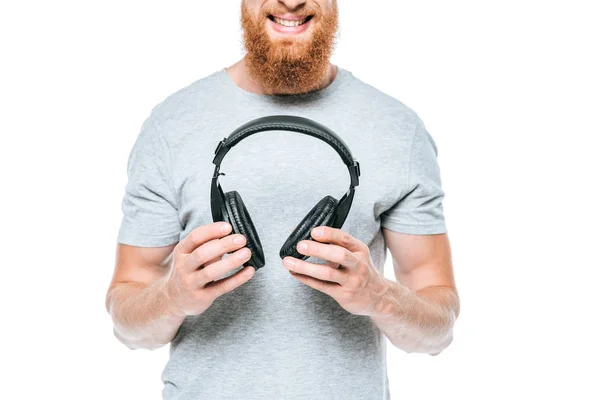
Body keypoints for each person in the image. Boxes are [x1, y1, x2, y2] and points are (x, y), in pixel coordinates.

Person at [105, 0, 460, 399]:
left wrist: (380, 296)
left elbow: (437, 330)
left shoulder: (398, 129)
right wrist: (172, 296)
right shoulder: (171, 125)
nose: (291, 1)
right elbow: (128, 321)